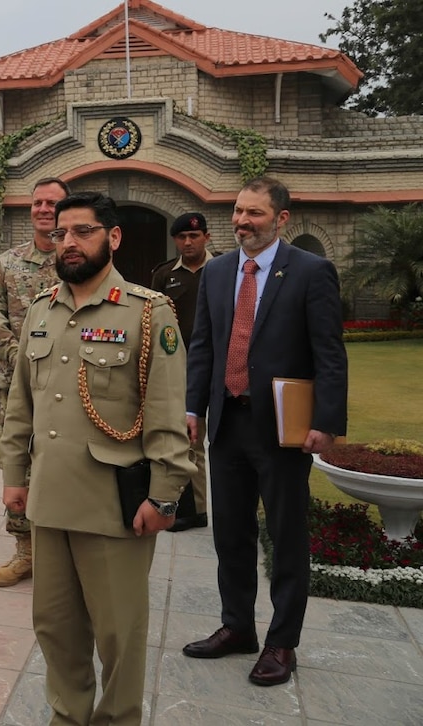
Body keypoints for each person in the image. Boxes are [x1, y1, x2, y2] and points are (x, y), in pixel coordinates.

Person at [0, 192, 195, 725]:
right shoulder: (41, 310)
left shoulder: (147, 312)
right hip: (50, 500)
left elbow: (166, 412)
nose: (68, 242)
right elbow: (22, 405)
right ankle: (68, 718)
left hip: (115, 505)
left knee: (119, 635)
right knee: (56, 629)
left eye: (82, 231)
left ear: (113, 237)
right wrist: (14, 475)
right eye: (62, 233)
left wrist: (165, 493)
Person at [182, 176, 348, 687]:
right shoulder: (215, 272)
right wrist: (193, 407)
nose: (241, 221)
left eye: (254, 213)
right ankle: (237, 628)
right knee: (230, 533)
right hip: (227, 422)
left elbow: (329, 353)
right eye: (237, 211)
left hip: (283, 427)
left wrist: (326, 421)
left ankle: (282, 642)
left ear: (281, 219)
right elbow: (203, 347)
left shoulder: (311, 272)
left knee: (285, 534)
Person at [0, 176, 70, 587]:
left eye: (52, 203)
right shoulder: (8, 263)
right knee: (15, 456)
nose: (44, 209)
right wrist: (14, 352)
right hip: (15, 382)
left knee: (67, 457)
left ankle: (64, 549)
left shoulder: (78, 260)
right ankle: (25, 550)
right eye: (38, 203)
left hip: (68, 380)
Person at [150, 212, 216, 532]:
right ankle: (194, 509)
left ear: (207, 237)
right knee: (188, 439)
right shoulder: (164, 275)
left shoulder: (223, 271)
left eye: (194, 236)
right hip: (181, 370)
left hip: (221, 369)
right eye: (182, 237)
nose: (188, 242)